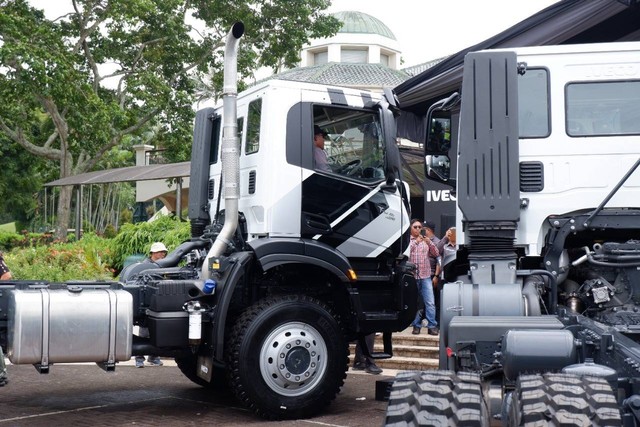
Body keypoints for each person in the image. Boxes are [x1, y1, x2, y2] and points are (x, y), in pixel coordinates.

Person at [135, 242, 168, 368]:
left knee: (156, 331)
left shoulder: (162, 265)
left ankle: (153, 357)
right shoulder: (144, 266)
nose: (163, 254)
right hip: (145, 302)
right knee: (144, 331)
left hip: (157, 300)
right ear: (153, 253)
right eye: (161, 252)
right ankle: (139, 358)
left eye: (164, 252)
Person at [409, 219, 439, 335]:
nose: (418, 229)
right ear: (411, 228)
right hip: (413, 276)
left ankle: (432, 326)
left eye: (419, 227)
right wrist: (416, 241)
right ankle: (416, 325)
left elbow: (436, 254)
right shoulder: (409, 241)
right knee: (415, 303)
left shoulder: (426, 241)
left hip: (425, 275)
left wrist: (429, 243)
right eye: (415, 227)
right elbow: (406, 253)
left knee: (430, 302)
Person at [422, 221, 442, 324]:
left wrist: (436, 276)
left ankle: (433, 322)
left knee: (431, 301)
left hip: (431, 274)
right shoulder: (420, 240)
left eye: (423, 229)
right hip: (421, 273)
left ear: (428, 230)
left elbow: (439, 260)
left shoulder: (437, 242)